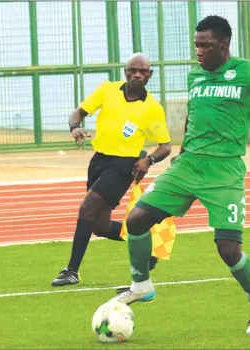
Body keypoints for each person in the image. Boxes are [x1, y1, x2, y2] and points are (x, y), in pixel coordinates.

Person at [114, 15, 250, 334]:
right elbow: (194, 116)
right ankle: (141, 285)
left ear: (223, 44)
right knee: (136, 220)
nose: (199, 51)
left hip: (224, 171)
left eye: (205, 45)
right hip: (188, 164)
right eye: (197, 45)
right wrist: (181, 152)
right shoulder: (195, 76)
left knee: (228, 249)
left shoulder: (248, 72)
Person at [51, 53, 172, 287]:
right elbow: (78, 112)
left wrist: (149, 161)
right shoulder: (107, 90)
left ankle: (72, 271)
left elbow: (165, 146)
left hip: (124, 165)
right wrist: (75, 127)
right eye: (132, 70)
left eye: (142, 71)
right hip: (99, 161)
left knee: (86, 207)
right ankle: (147, 252)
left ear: (150, 75)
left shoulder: (152, 108)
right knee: (100, 226)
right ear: (125, 72)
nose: (137, 74)